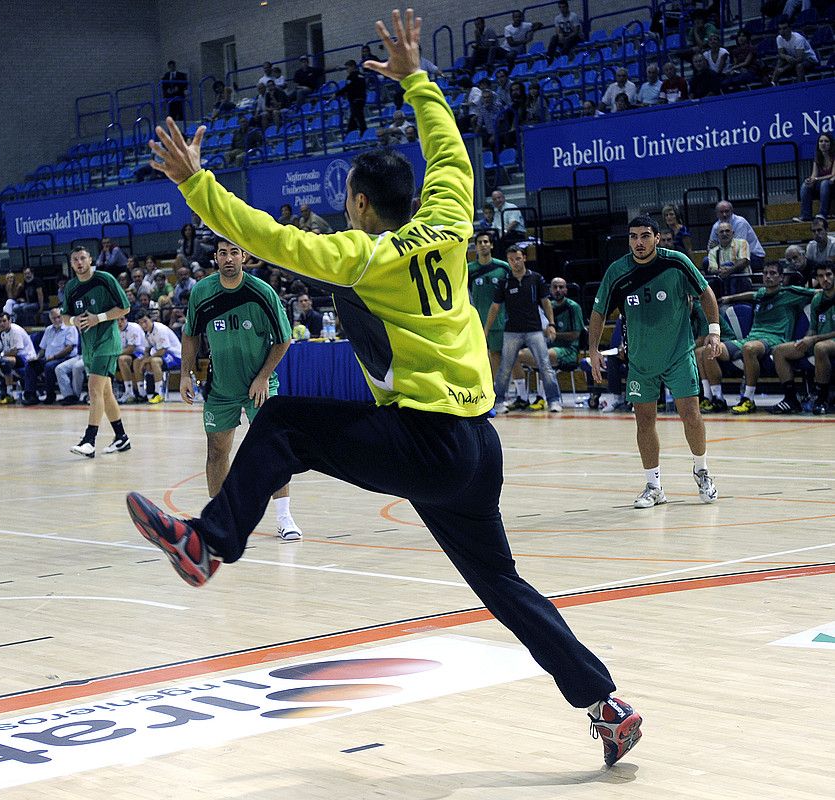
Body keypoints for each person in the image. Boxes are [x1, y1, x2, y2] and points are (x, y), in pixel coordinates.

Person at [132, 10, 642, 767]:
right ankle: (605, 702)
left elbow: (270, 238)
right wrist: (416, 79)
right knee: (500, 585)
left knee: (283, 425)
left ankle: (209, 545)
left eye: (347, 196)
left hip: (430, 441)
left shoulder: (367, 257)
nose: (344, 205)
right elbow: (449, 151)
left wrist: (195, 182)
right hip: (478, 445)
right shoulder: (447, 218)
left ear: (362, 205)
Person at [589, 216, 721, 508]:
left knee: (691, 415)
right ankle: (654, 486)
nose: (639, 242)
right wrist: (594, 350)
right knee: (644, 421)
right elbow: (598, 312)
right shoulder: (618, 271)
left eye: (645, 236)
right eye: (633, 236)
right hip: (641, 362)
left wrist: (713, 331)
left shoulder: (676, 263)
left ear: (657, 238)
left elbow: (706, 294)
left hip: (678, 354)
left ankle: (702, 471)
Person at [180, 235, 300, 539]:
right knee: (217, 451)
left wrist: (262, 377)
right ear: (216, 258)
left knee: (272, 450)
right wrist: (184, 374)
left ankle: (284, 518)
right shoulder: (202, 292)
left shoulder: (262, 292)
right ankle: (220, 518)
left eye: (234, 252)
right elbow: (191, 334)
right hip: (221, 389)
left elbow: (283, 339)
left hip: (259, 386)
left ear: (244, 256)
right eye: (223, 253)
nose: (229, 258)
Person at [706, 262, 816, 414]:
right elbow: (751, 295)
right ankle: (717, 399)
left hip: (775, 339)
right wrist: (729, 298)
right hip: (752, 338)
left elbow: (817, 293)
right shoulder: (761, 294)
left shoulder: (789, 293)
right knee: (709, 350)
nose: (768, 276)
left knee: (749, 348)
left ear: (781, 278)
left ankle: (748, 399)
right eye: (765, 273)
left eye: (772, 273)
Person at [63, 245, 131, 456]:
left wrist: (98, 318)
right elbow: (65, 317)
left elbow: (125, 307)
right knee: (105, 393)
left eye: (82, 258)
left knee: (93, 389)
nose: (79, 262)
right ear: (72, 264)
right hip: (89, 345)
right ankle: (121, 438)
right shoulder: (71, 287)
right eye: (75, 259)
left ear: (90, 259)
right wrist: (76, 320)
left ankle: (89, 440)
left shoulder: (104, 279)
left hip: (107, 342)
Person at [485, 245, 562, 413]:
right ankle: (498, 402)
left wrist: (551, 324)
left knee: (544, 364)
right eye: (511, 260)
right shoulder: (504, 282)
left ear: (524, 258)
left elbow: (546, 303)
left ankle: (554, 400)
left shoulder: (536, 278)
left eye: (518, 258)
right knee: (505, 367)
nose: (515, 262)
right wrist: (486, 330)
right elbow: (494, 307)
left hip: (534, 330)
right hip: (511, 331)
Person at [768, 263, 835, 414]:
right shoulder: (818, 299)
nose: (825, 279)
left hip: (826, 342)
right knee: (779, 351)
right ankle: (791, 399)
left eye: (828, 275)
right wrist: (805, 339)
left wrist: (814, 339)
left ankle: (821, 398)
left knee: (820, 347)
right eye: (820, 276)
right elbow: (813, 327)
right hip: (818, 340)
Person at [468, 231, 509, 378]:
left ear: (491, 245)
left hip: (499, 322)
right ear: (475, 247)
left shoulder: (503, 268)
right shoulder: (468, 269)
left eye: (486, 242)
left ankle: (497, 391)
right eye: (479, 242)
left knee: (498, 355)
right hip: (476, 322)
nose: (483, 245)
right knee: (479, 356)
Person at [134, 311, 183, 403]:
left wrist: (146, 361)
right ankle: (142, 394)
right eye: (141, 323)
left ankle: (158, 393)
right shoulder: (147, 333)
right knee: (137, 361)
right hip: (164, 356)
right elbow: (147, 350)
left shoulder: (160, 329)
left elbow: (162, 351)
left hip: (176, 356)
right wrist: (144, 360)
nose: (144, 325)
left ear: (151, 320)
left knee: (154, 361)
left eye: (145, 321)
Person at [0, 312, 37, 403]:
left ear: (10, 321)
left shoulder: (15, 330)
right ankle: (5, 393)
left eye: (4, 321)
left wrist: (0, 357)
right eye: (0, 322)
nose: (2, 324)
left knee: (4, 362)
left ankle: (10, 393)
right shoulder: (3, 334)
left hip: (27, 358)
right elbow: (6, 350)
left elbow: (16, 351)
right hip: (15, 359)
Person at [707, 201, 765, 270]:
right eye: (721, 212)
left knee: (731, 263)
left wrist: (719, 244)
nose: (724, 214)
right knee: (707, 262)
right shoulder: (716, 226)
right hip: (726, 255)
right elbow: (711, 248)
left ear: (731, 211)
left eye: (727, 211)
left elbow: (737, 247)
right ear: (717, 214)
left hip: (753, 256)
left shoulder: (740, 222)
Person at [705, 221, 752, 295]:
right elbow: (712, 269)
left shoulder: (742, 243)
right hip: (722, 282)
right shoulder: (713, 251)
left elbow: (744, 261)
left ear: (733, 233)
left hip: (742, 281)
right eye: (721, 232)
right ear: (717, 235)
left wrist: (729, 270)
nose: (724, 234)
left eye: (727, 231)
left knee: (729, 264)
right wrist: (721, 271)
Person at [797, 132, 833, 222]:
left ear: (831, 144)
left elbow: (833, 175)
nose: (823, 144)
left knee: (825, 184)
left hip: (831, 185)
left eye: (826, 141)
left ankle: (822, 214)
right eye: (821, 141)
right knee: (806, 185)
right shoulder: (817, 156)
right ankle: (806, 215)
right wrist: (810, 180)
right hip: (821, 186)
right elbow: (814, 174)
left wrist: (816, 179)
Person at [116, 314, 150, 403]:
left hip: (142, 352)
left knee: (123, 359)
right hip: (128, 354)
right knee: (117, 360)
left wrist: (114, 354)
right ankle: (128, 392)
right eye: (117, 320)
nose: (119, 322)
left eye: (122, 319)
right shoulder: (114, 330)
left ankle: (141, 393)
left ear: (126, 320)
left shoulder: (133, 328)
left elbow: (131, 349)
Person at [337, 60, 368, 135]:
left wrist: (337, 94)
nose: (347, 70)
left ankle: (363, 132)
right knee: (354, 117)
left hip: (355, 100)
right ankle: (350, 132)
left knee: (359, 117)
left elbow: (348, 87)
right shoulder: (361, 75)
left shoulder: (351, 76)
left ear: (352, 66)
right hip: (362, 99)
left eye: (347, 68)